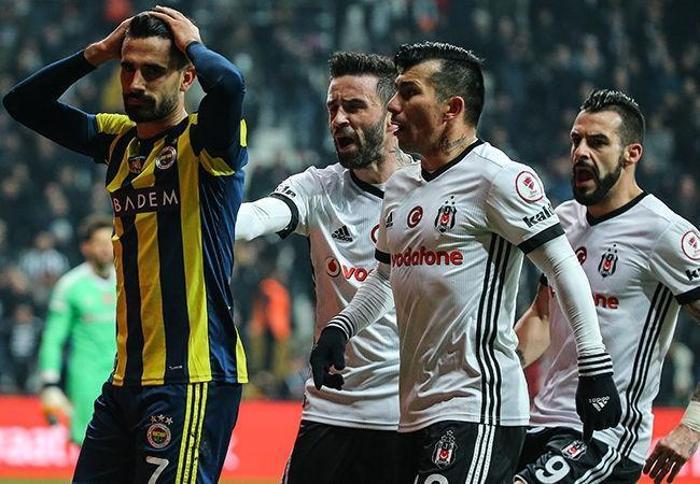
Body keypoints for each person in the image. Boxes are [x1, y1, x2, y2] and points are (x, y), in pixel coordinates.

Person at [310, 41, 622, 483]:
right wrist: (341, 329)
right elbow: (383, 278)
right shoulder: (400, 188)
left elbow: (562, 267)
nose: (393, 106)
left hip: (478, 405)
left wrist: (594, 364)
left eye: (408, 93)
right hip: (411, 411)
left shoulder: (499, 178)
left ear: (451, 108)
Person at [4, 6, 249, 483]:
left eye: (153, 71)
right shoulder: (119, 141)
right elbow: (22, 103)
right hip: (124, 382)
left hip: (190, 376)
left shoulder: (207, 143)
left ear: (186, 78)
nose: (135, 83)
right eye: (128, 68)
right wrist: (94, 54)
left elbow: (230, 85)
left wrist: (193, 43)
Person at [235, 52, 407, 484]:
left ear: (393, 115)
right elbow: (254, 219)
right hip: (331, 408)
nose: (339, 119)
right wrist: (199, 209)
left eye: (354, 106)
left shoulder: (432, 193)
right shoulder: (318, 188)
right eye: (333, 107)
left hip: (408, 413)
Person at [514, 89, 700, 483]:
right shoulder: (562, 221)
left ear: (632, 154)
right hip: (540, 423)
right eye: (576, 140)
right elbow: (542, 317)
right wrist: (491, 368)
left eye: (597, 142)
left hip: (607, 437)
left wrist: (692, 426)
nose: (581, 152)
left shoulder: (665, 233)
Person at [38, 215, 116, 445]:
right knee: (88, 445)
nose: (106, 248)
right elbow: (53, 337)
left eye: (109, 242)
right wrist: (49, 382)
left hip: (126, 377)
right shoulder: (70, 285)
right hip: (87, 379)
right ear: (86, 247)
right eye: (99, 243)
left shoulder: (129, 280)